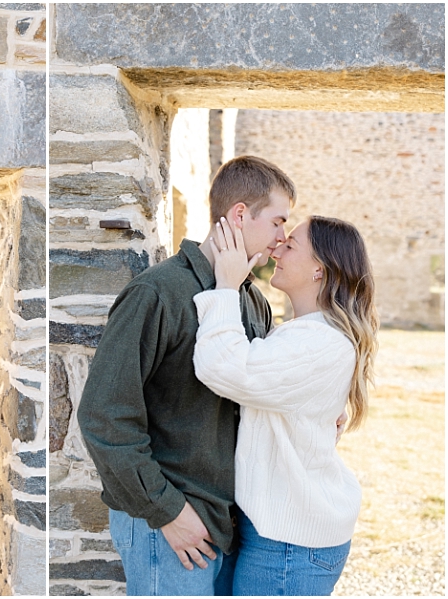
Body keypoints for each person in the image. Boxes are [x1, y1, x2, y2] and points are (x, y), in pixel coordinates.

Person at [77, 156, 298, 596]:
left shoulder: (252, 301)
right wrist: (169, 512)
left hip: (228, 524)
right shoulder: (157, 293)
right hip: (170, 526)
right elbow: (104, 415)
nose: (282, 238)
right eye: (277, 221)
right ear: (239, 214)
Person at [193, 215, 378, 595]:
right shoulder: (308, 332)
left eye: (290, 245)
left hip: (290, 546)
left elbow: (223, 367)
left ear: (319, 270)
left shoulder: (319, 342)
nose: (277, 248)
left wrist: (226, 288)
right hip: (279, 535)